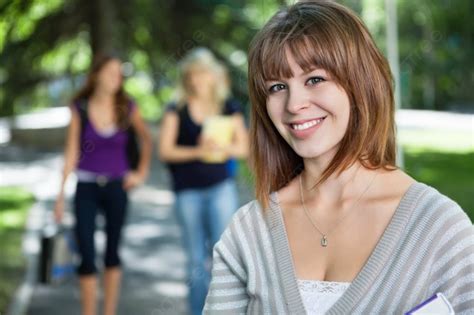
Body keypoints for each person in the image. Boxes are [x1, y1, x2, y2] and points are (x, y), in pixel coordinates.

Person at [204, 1, 474, 314]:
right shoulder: (250, 231)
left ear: (360, 83)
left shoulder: (439, 229)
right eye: (277, 87)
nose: (294, 104)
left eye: (314, 79)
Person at [54, 54, 152, 315]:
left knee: (112, 253)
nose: (115, 78)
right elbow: (71, 151)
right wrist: (60, 197)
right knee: (86, 254)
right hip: (86, 187)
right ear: (96, 75)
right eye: (110, 72)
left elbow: (146, 140)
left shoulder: (128, 107)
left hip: (117, 188)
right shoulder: (80, 107)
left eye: (119, 74)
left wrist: (139, 173)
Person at [158, 47, 249, 315]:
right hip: (188, 192)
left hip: (221, 187)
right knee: (196, 260)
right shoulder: (176, 108)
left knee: (223, 256)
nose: (197, 80)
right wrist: (199, 150)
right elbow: (165, 152)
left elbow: (242, 149)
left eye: (202, 74)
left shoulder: (228, 107)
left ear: (213, 76)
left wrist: (219, 148)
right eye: (192, 75)